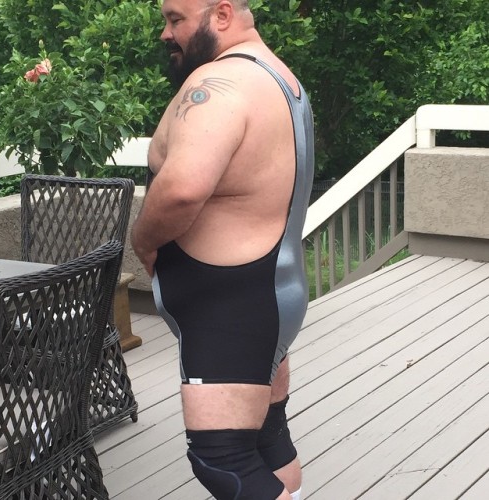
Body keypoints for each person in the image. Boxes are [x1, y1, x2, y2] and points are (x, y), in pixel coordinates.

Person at [131, 0, 314, 498]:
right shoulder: (277, 76)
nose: (166, 33)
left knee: (223, 459)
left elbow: (182, 189)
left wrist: (142, 242)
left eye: (176, 19)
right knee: (267, 440)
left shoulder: (221, 84)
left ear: (222, 15)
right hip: (266, 291)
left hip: (232, 306)